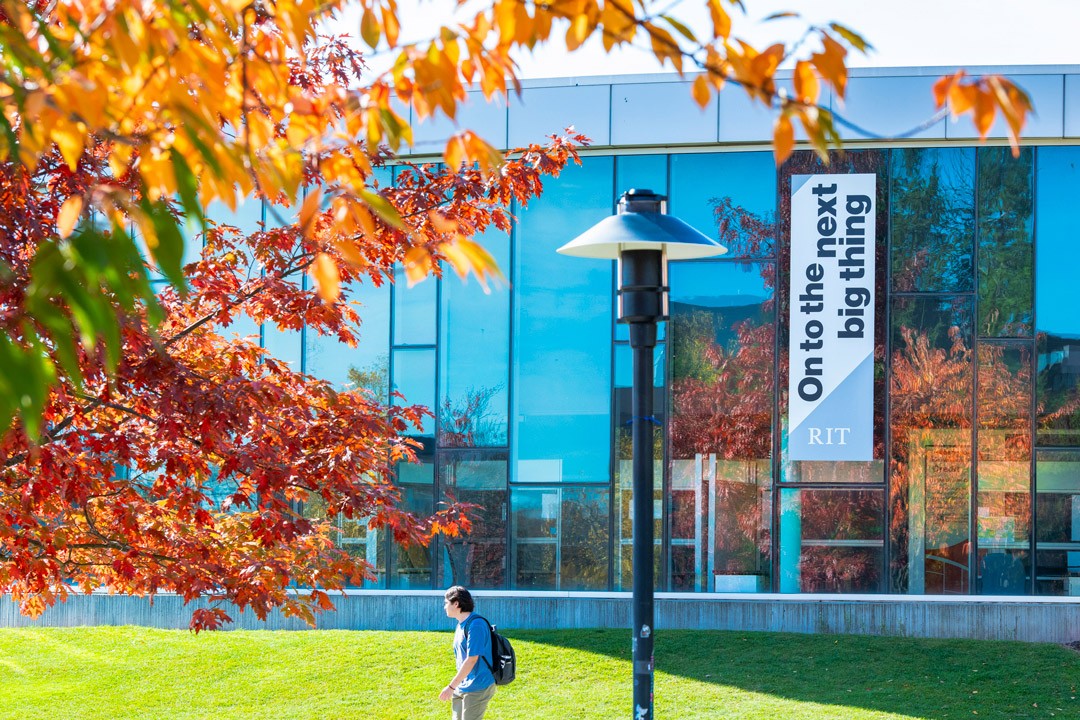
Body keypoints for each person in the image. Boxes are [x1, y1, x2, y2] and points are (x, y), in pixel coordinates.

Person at [438, 586, 496, 720]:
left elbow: (472, 659)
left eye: (446, 603)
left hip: (478, 685)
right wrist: (456, 686)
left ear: (456, 603)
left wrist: (451, 687)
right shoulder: (461, 624)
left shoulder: (476, 625)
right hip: (462, 685)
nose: (445, 606)